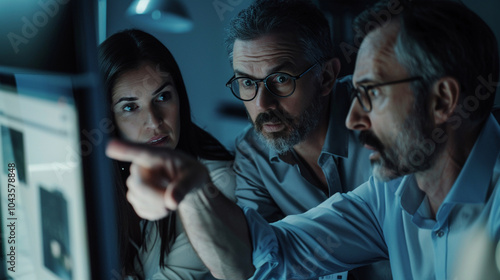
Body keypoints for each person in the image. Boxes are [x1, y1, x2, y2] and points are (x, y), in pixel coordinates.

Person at [106, 0, 500, 279]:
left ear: (443, 100)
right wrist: (193, 191)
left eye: (371, 94)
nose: (353, 118)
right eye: (246, 82)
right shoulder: (389, 195)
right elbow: (269, 256)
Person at [225, 1, 386, 278]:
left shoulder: (379, 116)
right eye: (248, 83)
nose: (262, 104)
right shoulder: (252, 151)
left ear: (326, 77)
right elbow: (260, 258)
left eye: (281, 79)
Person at [98, 29, 236, 279]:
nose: (154, 121)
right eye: (130, 107)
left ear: (179, 97)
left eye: (163, 97)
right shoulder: (101, 175)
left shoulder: (218, 183)